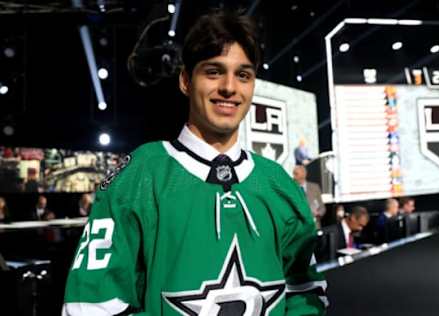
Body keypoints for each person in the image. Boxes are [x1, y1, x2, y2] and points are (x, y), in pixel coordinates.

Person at [63, 9, 327, 316]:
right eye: (213, 71)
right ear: (186, 81)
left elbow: (306, 293)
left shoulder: (279, 184)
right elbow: (88, 306)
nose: (229, 87)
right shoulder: (139, 177)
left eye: (243, 75)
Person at [292, 165, 326, 229]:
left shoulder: (315, 187)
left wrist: (318, 214)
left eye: (296, 174)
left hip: (314, 227)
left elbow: (322, 207)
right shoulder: (291, 189)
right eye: (293, 174)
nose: (294, 177)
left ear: (304, 174)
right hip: (299, 228)